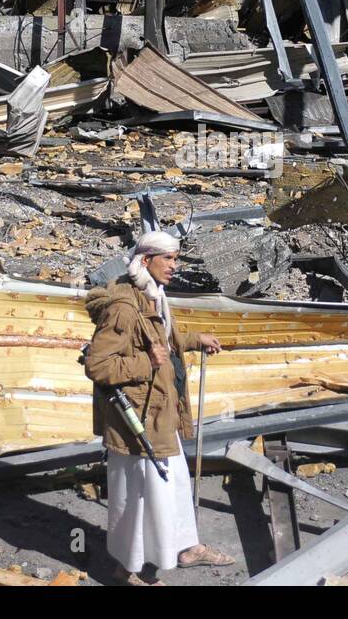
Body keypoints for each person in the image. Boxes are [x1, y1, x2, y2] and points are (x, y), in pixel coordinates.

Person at [83, 231, 234, 585]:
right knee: (137, 496)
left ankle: (186, 548)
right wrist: (146, 364)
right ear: (146, 260)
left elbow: (164, 338)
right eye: (168, 258)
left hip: (160, 411)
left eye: (176, 258)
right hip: (136, 420)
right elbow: (98, 366)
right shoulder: (123, 307)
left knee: (174, 483)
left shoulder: (152, 295)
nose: (174, 265)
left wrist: (196, 340)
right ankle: (127, 569)